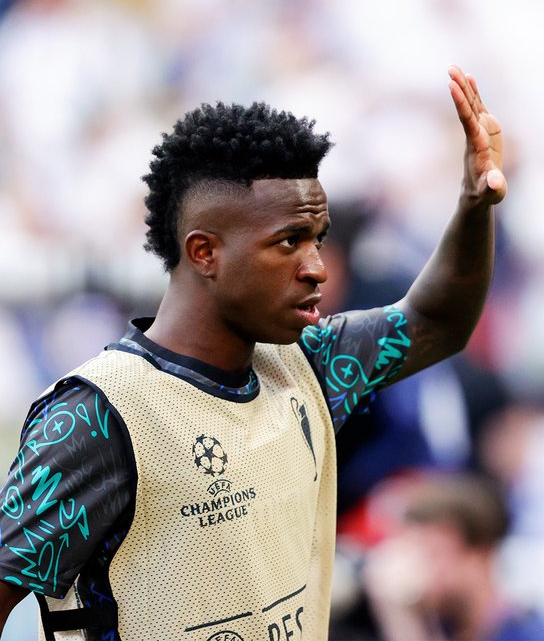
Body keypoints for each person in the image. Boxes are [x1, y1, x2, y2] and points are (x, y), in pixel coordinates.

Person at [0, 66, 506, 640]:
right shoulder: (97, 416)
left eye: (317, 240)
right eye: (289, 241)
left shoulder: (312, 364)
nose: (317, 268)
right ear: (204, 252)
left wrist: (474, 202)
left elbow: (437, 322)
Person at [365, 472, 544, 641]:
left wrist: (401, 618)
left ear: (478, 554)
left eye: (430, 554)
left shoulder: (528, 634)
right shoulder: (442, 627)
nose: (417, 568)